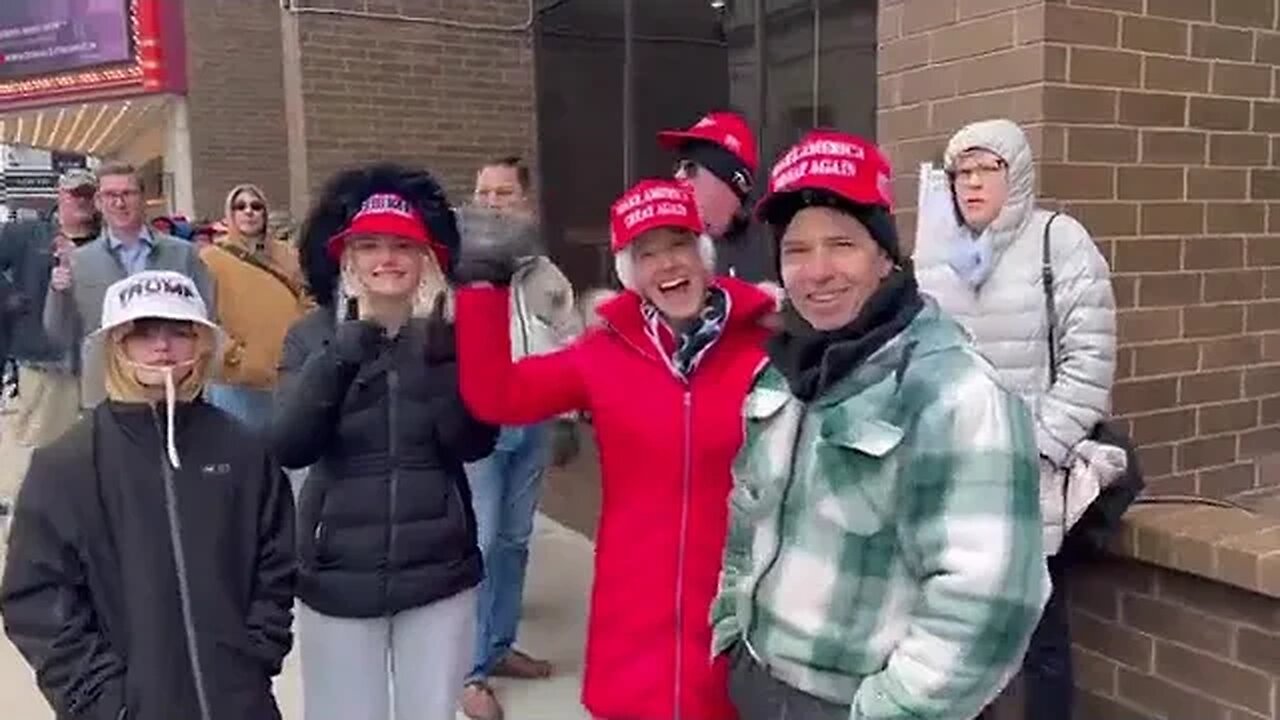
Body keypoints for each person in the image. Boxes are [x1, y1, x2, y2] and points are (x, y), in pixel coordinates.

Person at [710, 130, 1049, 720]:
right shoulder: (783, 370)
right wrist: (732, 628)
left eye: (842, 243)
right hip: (760, 683)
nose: (817, 271)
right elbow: (749, 511)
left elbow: (989, 600)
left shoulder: (956, 390)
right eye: (796, 249)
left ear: (885, 254)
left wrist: (891, 711)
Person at [454, 178, 775, 720]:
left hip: (737, 608)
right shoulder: (605, 353)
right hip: (635, 613)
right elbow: (496, 395)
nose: (667, 264)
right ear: (630, 274)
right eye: (647, 254)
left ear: (703, 252)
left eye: (678, 244)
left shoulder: (767, 346)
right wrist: (483, 286)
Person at [1, 269, 295, 720]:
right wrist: (101, 697)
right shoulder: (67, 464)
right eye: (143, 333)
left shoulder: (243, 450)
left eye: (179, 332)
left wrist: (254, 657)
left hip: (241, 704)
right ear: (116, 344)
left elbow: (276, 563)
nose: (162, 347)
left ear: (201, 342)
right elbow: (35, 596)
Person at [272, 164, 498, 720]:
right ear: (346, 259)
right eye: (369, 245)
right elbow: (290, 444)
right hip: (337, 572)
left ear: (428, 258)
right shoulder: (312, 336)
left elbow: (473, 441)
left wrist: (430, 346)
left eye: (403, 245)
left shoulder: (453, 335)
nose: (386, 259)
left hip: (438, 570)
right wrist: (353, 343)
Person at [913, 118, 1120, 720]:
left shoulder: (1059, 241)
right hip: (953, 479)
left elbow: (1090, 362)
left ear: (1017, 175)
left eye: (988, 169)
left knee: (1039, 635)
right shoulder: (935, 257)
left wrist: (1037, 445)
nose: (972, 184)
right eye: (962, 172)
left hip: (1028, 476)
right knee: (957, 632)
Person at [460, 156, 582, 719]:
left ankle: (500, 646)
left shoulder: (546, 275)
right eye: (483, 192)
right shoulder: (457, 269)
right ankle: (469, 670)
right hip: (476, 425)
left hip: (531, 423)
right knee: (477, 544)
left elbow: (570, 343)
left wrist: (566, 420)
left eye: (503, 193)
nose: (490, 203)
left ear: (526, 204)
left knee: (512, 541)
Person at [42, 162, 214, 411]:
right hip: (106, 393)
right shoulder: (79, 262)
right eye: (111, 195)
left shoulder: (182, 254)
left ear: (144, 198)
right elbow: (60, 334)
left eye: (127, 194)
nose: (119, 203)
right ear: (99, 202)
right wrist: (58, 293)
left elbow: (207, 317)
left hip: (173, 388)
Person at [0, 168, 101, 509]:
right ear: (60, 195)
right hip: (44, 365)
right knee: (40, 456)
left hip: (99, 367)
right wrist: (11, 298)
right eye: (76, 194)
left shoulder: (110, 243)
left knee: (97, 457)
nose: (83, 202)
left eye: (89, 194)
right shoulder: (29, 234)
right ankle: (29, 529)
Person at [201, 184, 307, 430]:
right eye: (241, 207)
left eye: (256, 206)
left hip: (288, 376)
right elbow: (204, 314)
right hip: (237, 381)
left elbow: (309, 298)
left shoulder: (289, 255)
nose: (249, 212)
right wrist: (235, 355)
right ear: (231, 214)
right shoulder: (210, 258)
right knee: (241, 458)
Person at [658, 109, 776, 282]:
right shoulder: (665, 244)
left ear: (728, 180)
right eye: (678, 167)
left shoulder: (777, 245)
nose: (679, 176)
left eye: (690, 168)